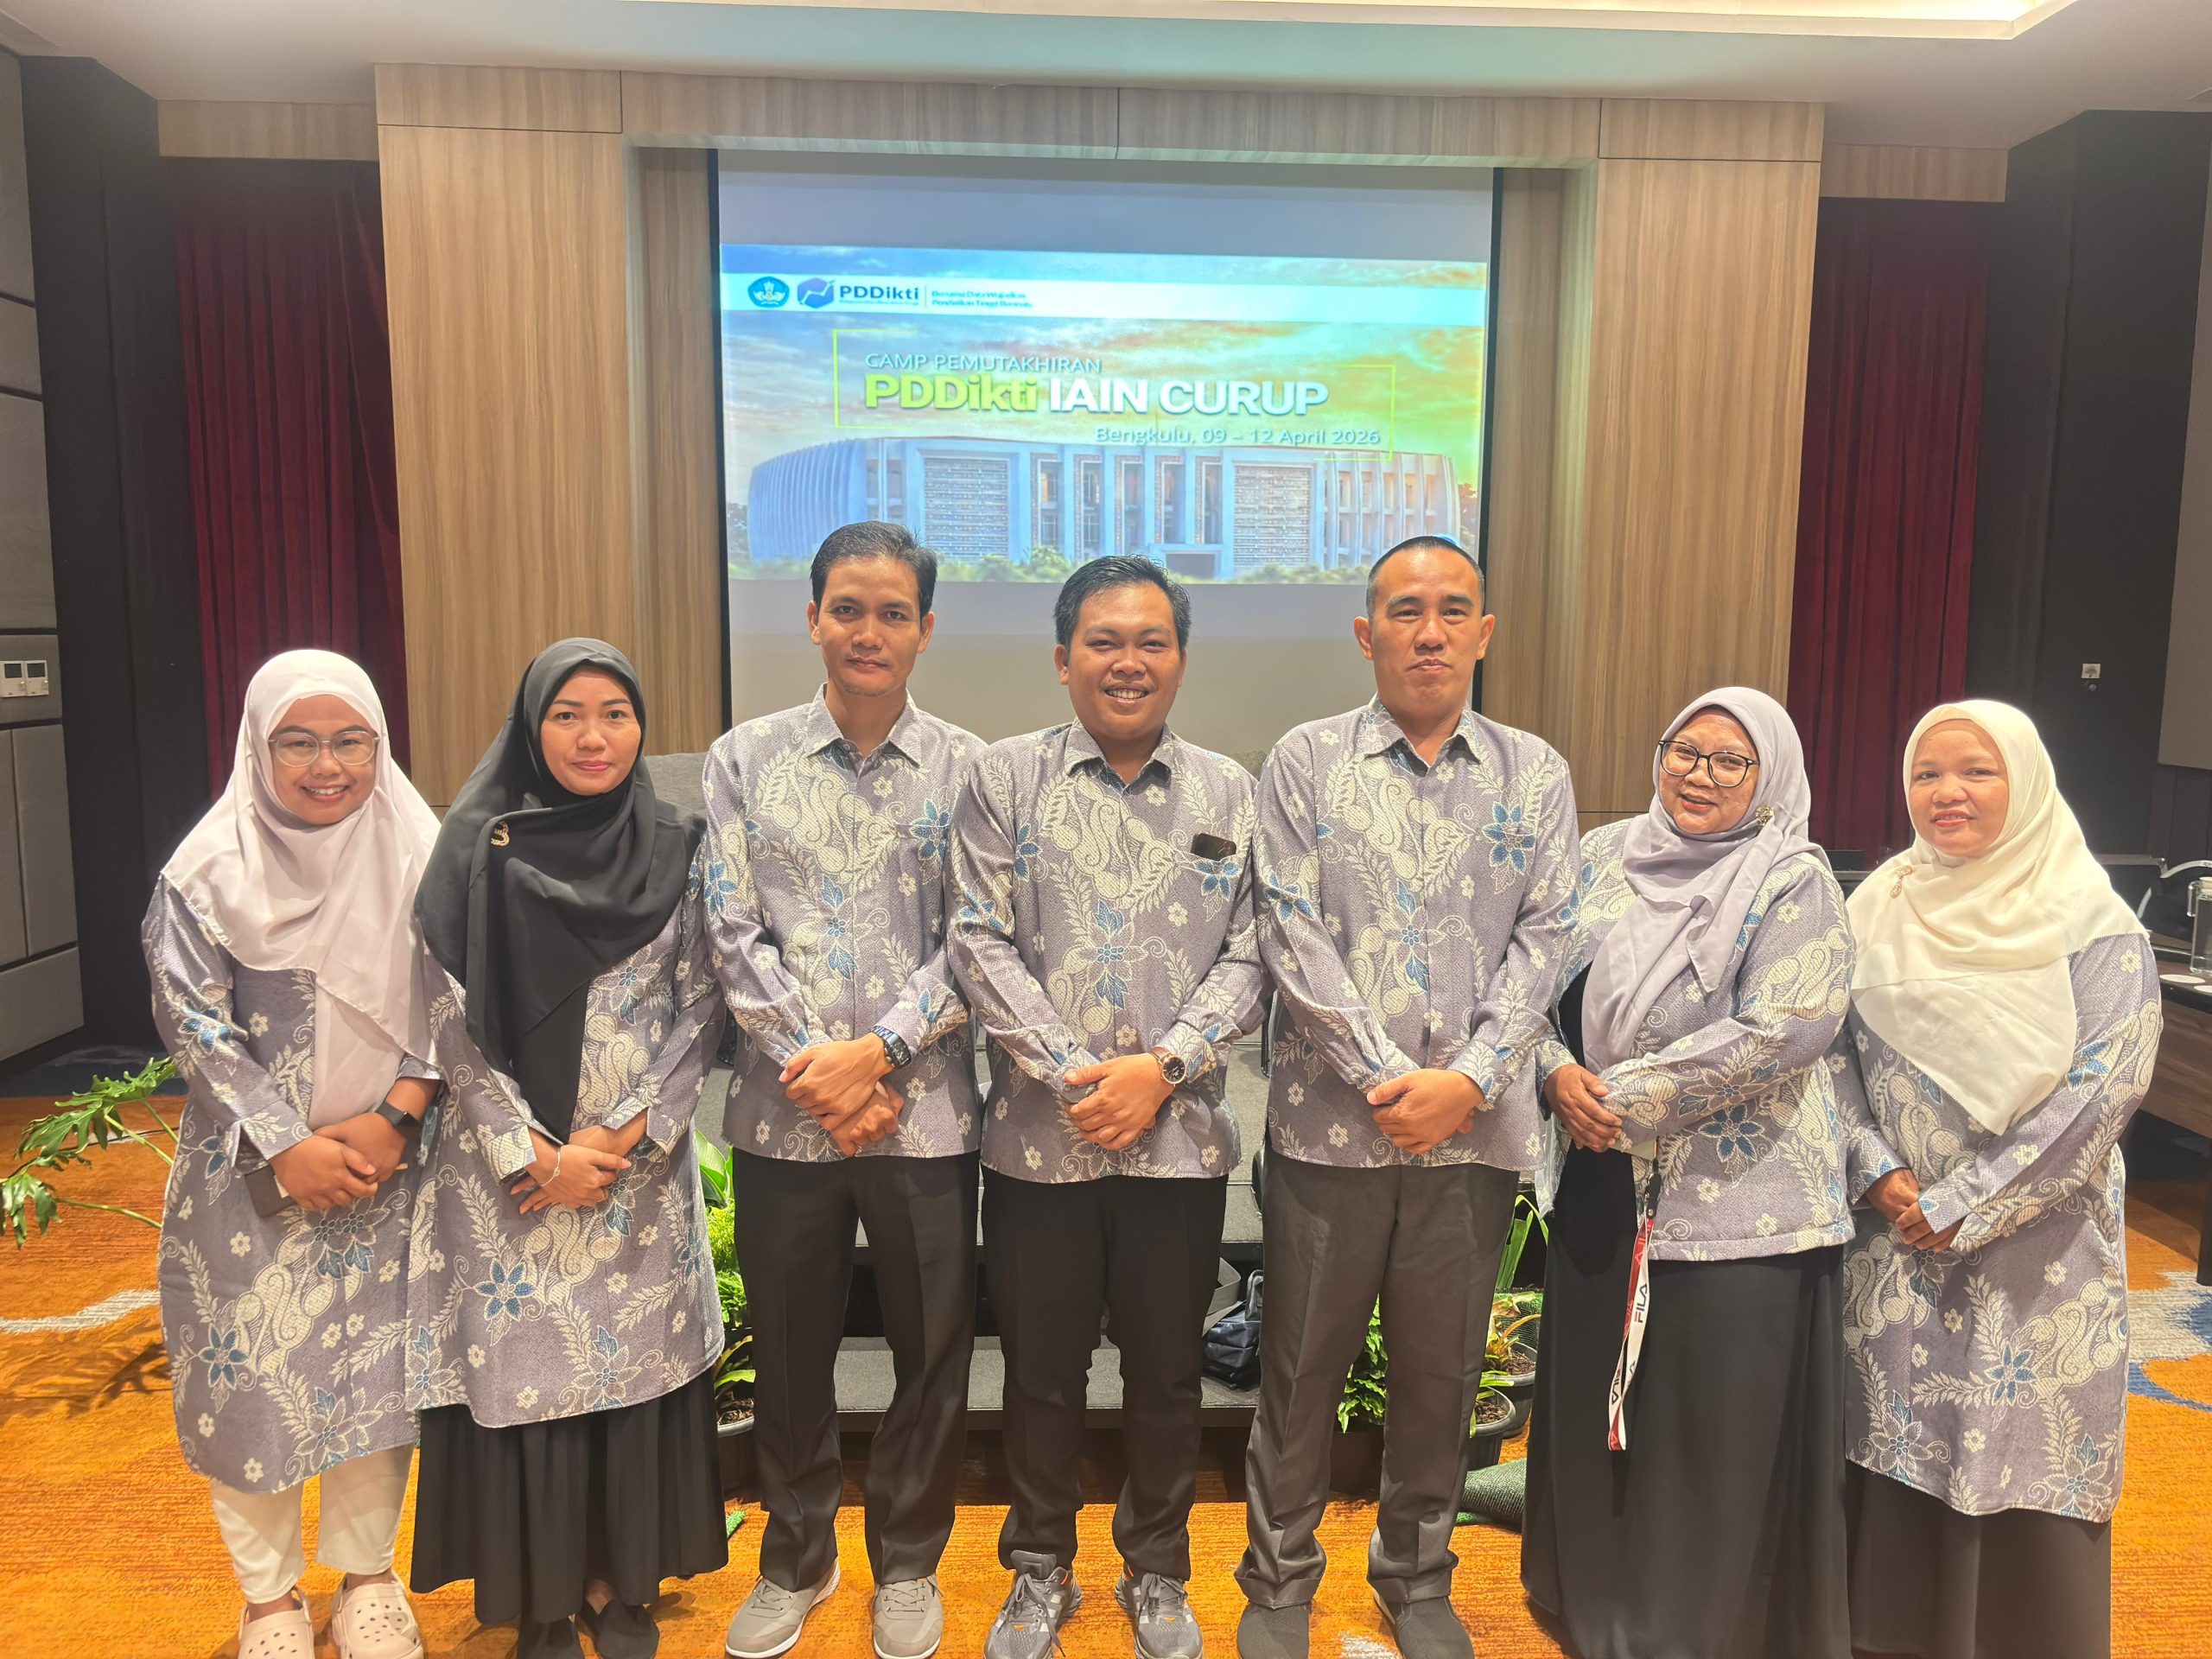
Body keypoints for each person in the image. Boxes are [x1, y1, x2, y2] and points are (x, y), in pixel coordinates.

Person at [1236, 537, 1579, 1659]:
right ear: (1365, 632)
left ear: (1483, 632)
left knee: (1441, 1378)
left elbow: (1548, 937)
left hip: (1470, 1143)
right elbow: (1287, 928)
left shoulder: (1537, 774)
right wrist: (1392, 1078)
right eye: (1404, 610)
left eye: (1451, 610)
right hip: (1330, 1133)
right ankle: (1277, 1581)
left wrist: (1469, 1079)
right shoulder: (1305, 762)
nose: (1429, 631)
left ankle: (1417, 1576)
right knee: (1299, 1376)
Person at [950, 554, 1267, 1659]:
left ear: (1179, 658)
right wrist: (1077, 1075)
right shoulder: (1002, 779)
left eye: (1150, 641)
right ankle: (1039, 1569)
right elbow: (976, 938)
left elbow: (1254, 952)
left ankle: (1157, 1569)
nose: (1127, 662)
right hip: (1040, 1142)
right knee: (1038, 1374)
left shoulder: (1231, 792)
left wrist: (1161, 1069)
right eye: (1103, 641)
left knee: (1166, 1374)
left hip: (1179, 1143)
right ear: (1062, 658)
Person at [405, 639, 728, 1659]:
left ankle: (618, 1581)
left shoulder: (678, 842)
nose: (594, 737)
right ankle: (541, 1600)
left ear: (641, 727)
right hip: (509, 1175)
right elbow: (444, 1014)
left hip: (636, 1168)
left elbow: (704, 1000)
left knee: (629, 1375)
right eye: (568, 715)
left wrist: (623, 1132)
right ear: (530, 726)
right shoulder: (473, 847)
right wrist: (534, 1153)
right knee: (530, 1379)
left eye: (615, 715)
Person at [1518, 687, 1854, 1659]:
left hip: (1734, 1206)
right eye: (1684, 751)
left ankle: (1680, 1628)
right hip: (1596, 1173)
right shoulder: (1600, 857)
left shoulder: (1792, 881)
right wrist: (1554, 1074)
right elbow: (1527, 987)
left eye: (1729, 761)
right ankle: (1588, 1592)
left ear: (1769, 777)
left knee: (1701, 1423)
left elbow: (1787, 1027)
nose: (1699, 775)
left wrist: (1620, 1097)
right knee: (1594, 1393)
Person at [706, 523, 982, 1659]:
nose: (870, 631)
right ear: (813, 616)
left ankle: (908, 1562)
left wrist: (878, 1055)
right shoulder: (743, 760)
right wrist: (822, 1073)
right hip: (784, 1119)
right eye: (849, 609)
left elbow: (980, 939)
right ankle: (797, 1556)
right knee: (790, 1350)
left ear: (926, 627)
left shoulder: (972, 768)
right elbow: (729, 932)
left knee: (932, 1354)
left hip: (925, 1119)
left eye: (893, 612)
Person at [1837, 701, 2160, 1659]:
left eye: (1976, 771)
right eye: (1926, 773)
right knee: (1894, 1427)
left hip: (2038, 1252)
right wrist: (1876, 1169)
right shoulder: (1875, 906)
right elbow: (1831, 1059)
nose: (1947, 793)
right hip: (1893, 1238)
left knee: (2018, 1435)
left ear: (2026, 781)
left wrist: (1964, 1203)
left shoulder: (2093, 923)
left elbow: (2107, 1086)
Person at [148, 650, 441, 1659]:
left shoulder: (419, 851)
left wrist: (397, 1115)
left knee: (376, 1375)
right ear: (256, 750)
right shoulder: (205, 871)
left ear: (379, 745)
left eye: (351, 741)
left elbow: (453, 1000)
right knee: (253, 1378)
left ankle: (369, 1580)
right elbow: (195, 1026)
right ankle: (268, 1599)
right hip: (247, 1177)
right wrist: (285, 1146)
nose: (328, 765)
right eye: (299, 743)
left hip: (389, 1168)